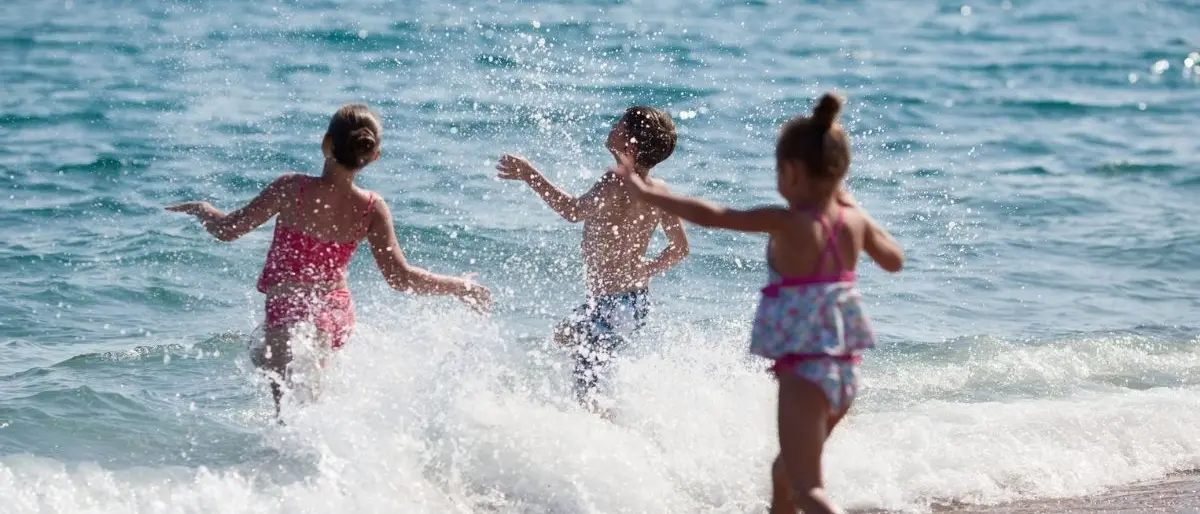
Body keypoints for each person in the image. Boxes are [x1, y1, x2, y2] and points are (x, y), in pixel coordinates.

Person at [612, 93, 903, 513]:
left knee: (808, 489)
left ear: (791, 172)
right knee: (785, 474)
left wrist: (648, 194)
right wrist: (852, 204)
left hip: (805, 372)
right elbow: (894, 260)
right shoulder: (852, 221)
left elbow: (713, 214)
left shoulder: (787, 222)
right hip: (844, 372)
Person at [167, 104, 491, 415]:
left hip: (288, 307)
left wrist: (203, 210)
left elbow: (228, 230)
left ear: (326, 143)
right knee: (312, 405)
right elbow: (400, 278)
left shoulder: (291, 188)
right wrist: (461, 287)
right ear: (373, 156)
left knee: (287, 409)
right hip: (334, 313)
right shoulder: (371, 209)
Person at [496, 106, 690, 413]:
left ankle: (607, 438)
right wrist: (646, 270)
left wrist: (529, 175)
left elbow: (572, 211)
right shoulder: (660, 189)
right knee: (566, 341)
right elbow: (680, 248)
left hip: (611, 305)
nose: (612, 125)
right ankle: (612, 419)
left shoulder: (615, 182)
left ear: (629, 146)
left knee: (586, 385)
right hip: (634, 302)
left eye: (619, 124)